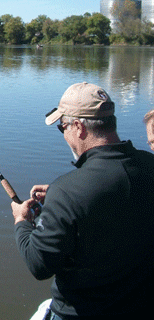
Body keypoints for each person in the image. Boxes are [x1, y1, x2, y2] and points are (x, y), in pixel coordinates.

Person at [11, 82, 154, 319]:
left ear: (78, 127)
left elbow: (38, 264)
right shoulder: (149, 165)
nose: (64, 135)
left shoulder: (67, 192)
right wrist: (61, 199)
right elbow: (119, 196)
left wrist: (22, 221)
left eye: (63, 127)